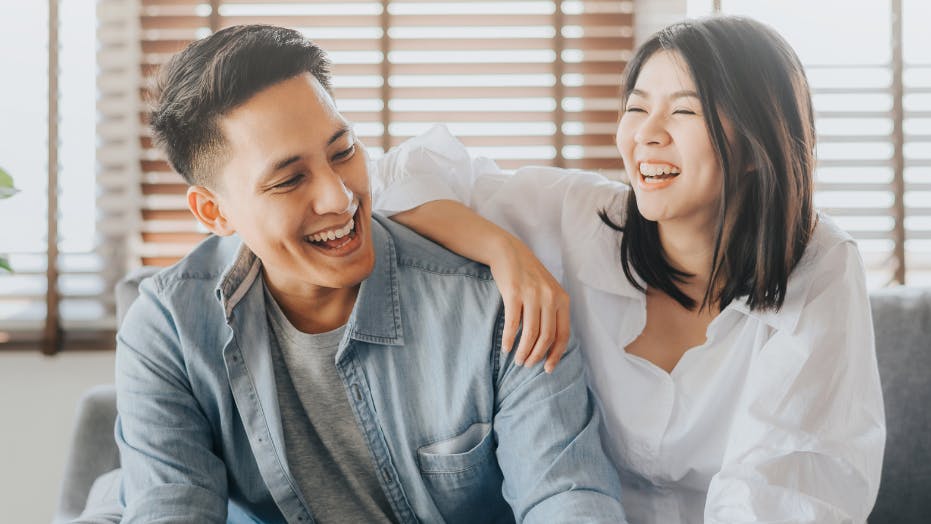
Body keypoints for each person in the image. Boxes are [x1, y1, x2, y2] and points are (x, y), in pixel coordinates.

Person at [100, 24, 627, 523]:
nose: (339, 197)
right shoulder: (169, 327)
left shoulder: (498, 311)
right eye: (289, 180)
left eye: (343, 152)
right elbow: (170, 506)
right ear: (214, 212)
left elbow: (567, 497)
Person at [373, 16, 886, 524]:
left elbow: (782, 490)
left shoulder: (821, 263)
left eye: (684, 111)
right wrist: (505, 252)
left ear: (756, 143)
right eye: (636, 108)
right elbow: (397, 176)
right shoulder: (578, 217)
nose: (646, 134)